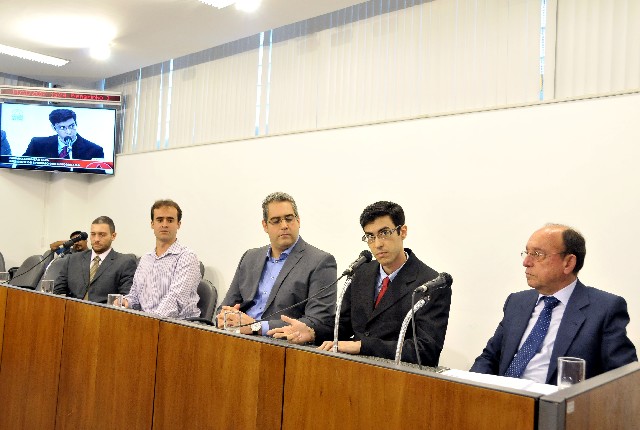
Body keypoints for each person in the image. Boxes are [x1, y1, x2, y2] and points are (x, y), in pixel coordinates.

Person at [470, 224, 637, 385]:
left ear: (568, 263)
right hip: (502, 398)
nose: (526, 262)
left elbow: (624, 379)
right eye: (527, 253)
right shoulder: (516, 302)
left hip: (554, 402)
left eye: (537, 254)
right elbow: (489, 358)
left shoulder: (604, 309)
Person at [317, 201, 452, 366]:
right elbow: (341, 326)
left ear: (402, 232)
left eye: (384, 233)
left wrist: (362, 346)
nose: (377, 244)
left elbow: (425, 351)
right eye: (370, 236)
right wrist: (311, 331)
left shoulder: (431, 284)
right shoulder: (361, 272)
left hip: (397, 376)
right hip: (352, 370)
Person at [217, 192, 337, 343]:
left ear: (298, 221)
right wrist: (224, 318)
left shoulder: (320, 262)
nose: (284, 225)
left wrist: (256, 327)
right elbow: (225, 308)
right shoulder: (250, 257)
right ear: (265, 226)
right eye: (276, 221)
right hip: (238, 338)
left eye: (289, 219)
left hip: (280, 344)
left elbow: (318, 321)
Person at [123, 199, 201, 319]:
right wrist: (125, 302)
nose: (164, 224)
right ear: (152, 224)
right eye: (159, 220)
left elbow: (175, 300)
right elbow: (134, 296)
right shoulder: (145, 259)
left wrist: (149, 321)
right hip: (147, 322)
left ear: (178, 224)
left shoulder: (187, 257)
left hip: (178, 324)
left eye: (170, 220)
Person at [53, 216, 137, 303]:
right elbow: (58, 292)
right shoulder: (73, 259)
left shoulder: (125, 263)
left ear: (113, 236)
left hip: (103, 311)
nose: (96, 239)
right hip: (72, 309)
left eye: (102, 235)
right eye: (93, 234)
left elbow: (125, 300)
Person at [22, 109, 104, 160]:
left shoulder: (94, 150)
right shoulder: (37, 145)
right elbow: (22, 169)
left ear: (76, 124)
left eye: (71, 126)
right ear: (54, 128)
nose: (68, 132)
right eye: (62, 128)